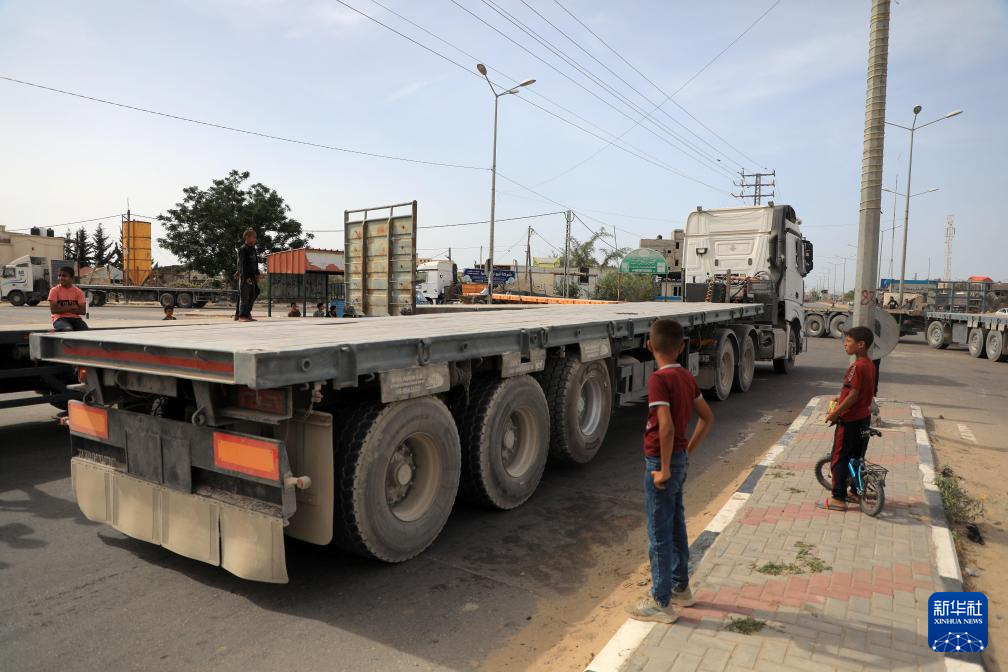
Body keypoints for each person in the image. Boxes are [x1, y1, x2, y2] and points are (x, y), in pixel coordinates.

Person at [626, 318, 714, 624]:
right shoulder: (687, 377)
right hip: (679, 459)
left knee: (658, 532)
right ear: (680, 347)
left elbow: (665, 427)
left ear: (649, 346)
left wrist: (663, 469)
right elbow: (707, 418)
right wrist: (685, 453)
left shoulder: (658, 380)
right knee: (676, 523)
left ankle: (660, 602)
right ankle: (681, 587)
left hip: (660, 462)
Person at [821, 326, 877, 511]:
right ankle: (854, 490)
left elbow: (853, 395)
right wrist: (841, 398)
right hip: (864, 418)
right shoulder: (869, 364)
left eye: (848, 341)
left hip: (850, 420)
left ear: (860, 345)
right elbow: (861, 392)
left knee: (839, 457)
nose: (845, 344)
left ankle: (838, 498)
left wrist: (835, 413)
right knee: (857, 457)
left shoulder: (856, 366)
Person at [48, 266, 89, 331]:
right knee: (68, 329)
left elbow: (83, 311)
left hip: (76, 319)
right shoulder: (54, 290)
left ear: (72, 278)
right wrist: (73, 307)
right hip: (60, 319)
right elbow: (54, 310)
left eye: (64, 276)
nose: (61, 278)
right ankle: (57, 332)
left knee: (85, 330)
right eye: (59, 275)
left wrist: (62, 308)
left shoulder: (78, 292)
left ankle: (57, 330)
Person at [237, 229, 260, 322]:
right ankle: (242, 316)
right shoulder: (243, 249)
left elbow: (255, 263)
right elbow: (242, 264)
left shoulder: (253, 249)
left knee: (252, 295)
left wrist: (257, 274)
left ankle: (247, 314)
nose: (255, 239)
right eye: (254, 237)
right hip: (246, 277)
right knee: (244, 297)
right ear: (247, 237)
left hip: (253, 276)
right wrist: (246, 277)